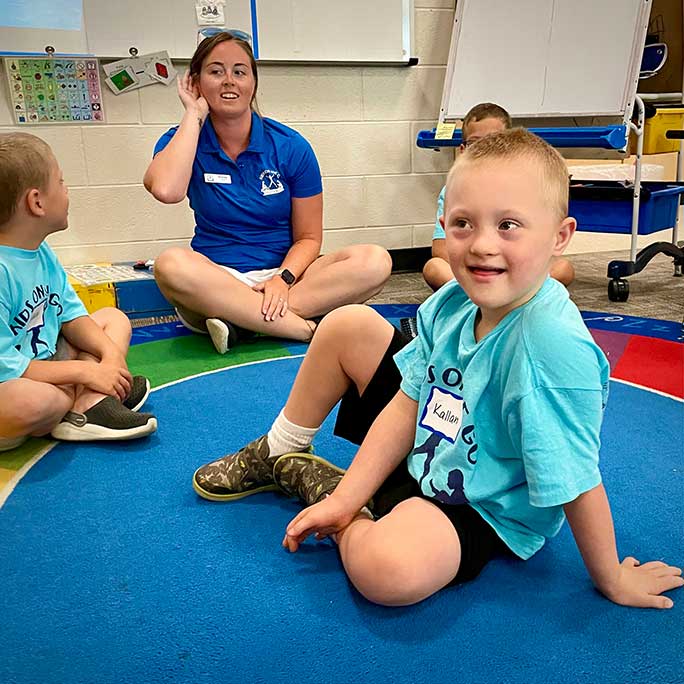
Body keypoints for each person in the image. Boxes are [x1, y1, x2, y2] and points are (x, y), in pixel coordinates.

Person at [191, 129, 683, 609]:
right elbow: (409, 402)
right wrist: (351, 494)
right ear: (444, 225)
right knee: (347, 325)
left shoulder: (550, 349)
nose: (482, 245)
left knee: (387, 573)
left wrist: (612, 577)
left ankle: (337, 498)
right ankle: (279, 450)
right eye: (464, 223)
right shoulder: (452, 302)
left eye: (508, 225)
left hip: (481, 501)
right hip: (430, 445)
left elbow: (576, 476)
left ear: (560, 237)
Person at [144, 32, 392, 354]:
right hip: (216, 282)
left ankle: (242, 323)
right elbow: (166, 190)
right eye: (216, 71)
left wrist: (282, 279)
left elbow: (308, 238)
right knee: (170, 265)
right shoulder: (181, 139)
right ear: (196, 82)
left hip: (285, 281)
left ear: (253, 83)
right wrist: (193, 114)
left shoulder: (290, 146)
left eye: (239, 72)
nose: (229, 80)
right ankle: (303, 328)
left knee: (374, 261)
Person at [0, 133, 157, 451]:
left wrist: (110, 358)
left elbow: (72, 316)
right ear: (36, 202)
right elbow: (8, 366)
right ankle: (80, 401)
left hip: (46, 361)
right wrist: (86, 372)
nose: (66, 189)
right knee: (33, 401)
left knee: (113, 319)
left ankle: (86, 404)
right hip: (13, 385)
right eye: (60, 182)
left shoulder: (40, 251)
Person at [423, 102, 575, 291]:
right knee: (434, 268)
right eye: (475, 144)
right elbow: (440, 250)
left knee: (563, 268)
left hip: (515, 267)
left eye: (495, 143)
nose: (485, 152)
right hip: (470, 270)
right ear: (463, 150)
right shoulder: (453, 191)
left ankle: (507, 288)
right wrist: (472, 267)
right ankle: (489, 291)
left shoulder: (526, 188)